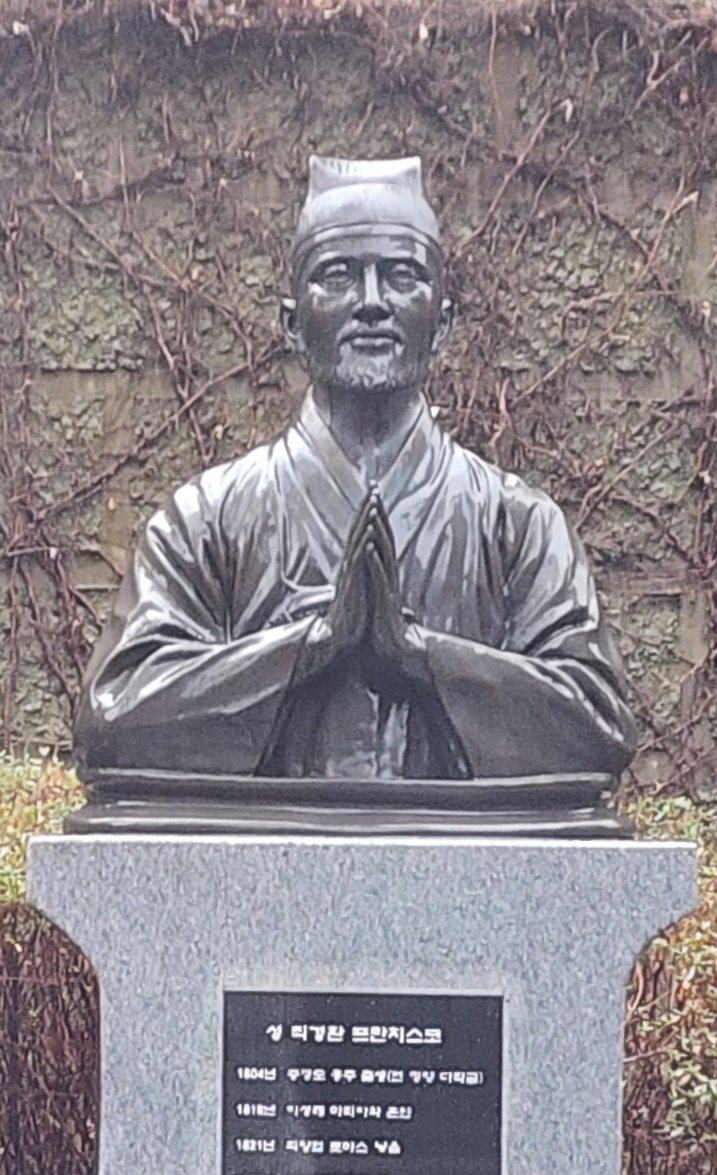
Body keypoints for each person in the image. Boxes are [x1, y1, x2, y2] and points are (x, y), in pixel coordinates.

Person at [77, 158, 635, 787]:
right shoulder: (205, 520)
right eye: (338, 276)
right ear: (292, 324)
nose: (371, 303)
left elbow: (599, 727)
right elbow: (112, 722)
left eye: (402, 276)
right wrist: (307, 649)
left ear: (442, 323)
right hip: (269, 851)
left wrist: (423, 656)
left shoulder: (518, 524)